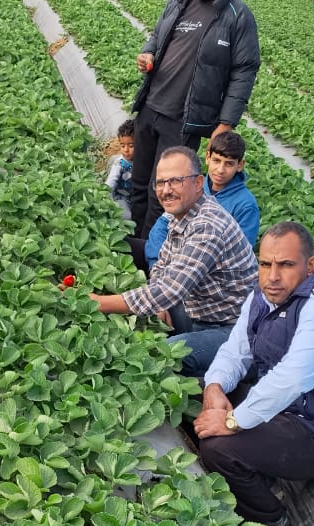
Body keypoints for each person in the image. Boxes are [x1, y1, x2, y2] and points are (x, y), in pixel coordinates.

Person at [194, 221, 314, 526]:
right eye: (265, 264)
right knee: (205, 389)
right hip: (287, 410)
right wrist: (214, 387)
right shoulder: (263, 297)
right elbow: (236, 350)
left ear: (310, 266)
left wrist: (232, 422)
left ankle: (269, 519)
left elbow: (294, 376)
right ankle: (263, 477)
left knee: (218, 447)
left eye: (286, 265)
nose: (272, 276)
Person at [131, 0, 260, 239]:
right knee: (137, 183)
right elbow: (157, 36)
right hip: (151, 107)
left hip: (183, 121)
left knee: (162, 193)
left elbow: (244, 71)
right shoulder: (180, 0)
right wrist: (148, 52)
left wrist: (225, 124)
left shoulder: (238, 17)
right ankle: (131, 247)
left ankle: (152, 254)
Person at [88, 147, 258, 377]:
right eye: (160, 182)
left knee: (164, 354)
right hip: (198, 311)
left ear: (198, 183)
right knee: (148, 312)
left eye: (176, 181)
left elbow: (169, 290)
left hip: (233, 329)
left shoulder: (207, 226)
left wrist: (98, 303)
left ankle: (220, 383)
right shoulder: (181, 214)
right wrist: (160, 304)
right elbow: (163, 265)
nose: (166, 190)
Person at [144, 130, 259, 270]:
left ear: (240, 165)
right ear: (208, 157)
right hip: (173, 256)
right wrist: (155, 262)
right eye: (216, 160)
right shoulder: (194, 185)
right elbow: (163, 224)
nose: (220, 170)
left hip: (204, 269)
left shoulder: (246, 204)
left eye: (229, 164)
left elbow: (239, 253)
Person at [106, 119, 135, 215]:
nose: (126, 150)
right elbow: (111, 181)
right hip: (122, 197)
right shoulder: (120, 163)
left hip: (136, 198)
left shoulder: (143, 161)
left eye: (131, 146)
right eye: (122, 146)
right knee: (126, 216)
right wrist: (106, 197)